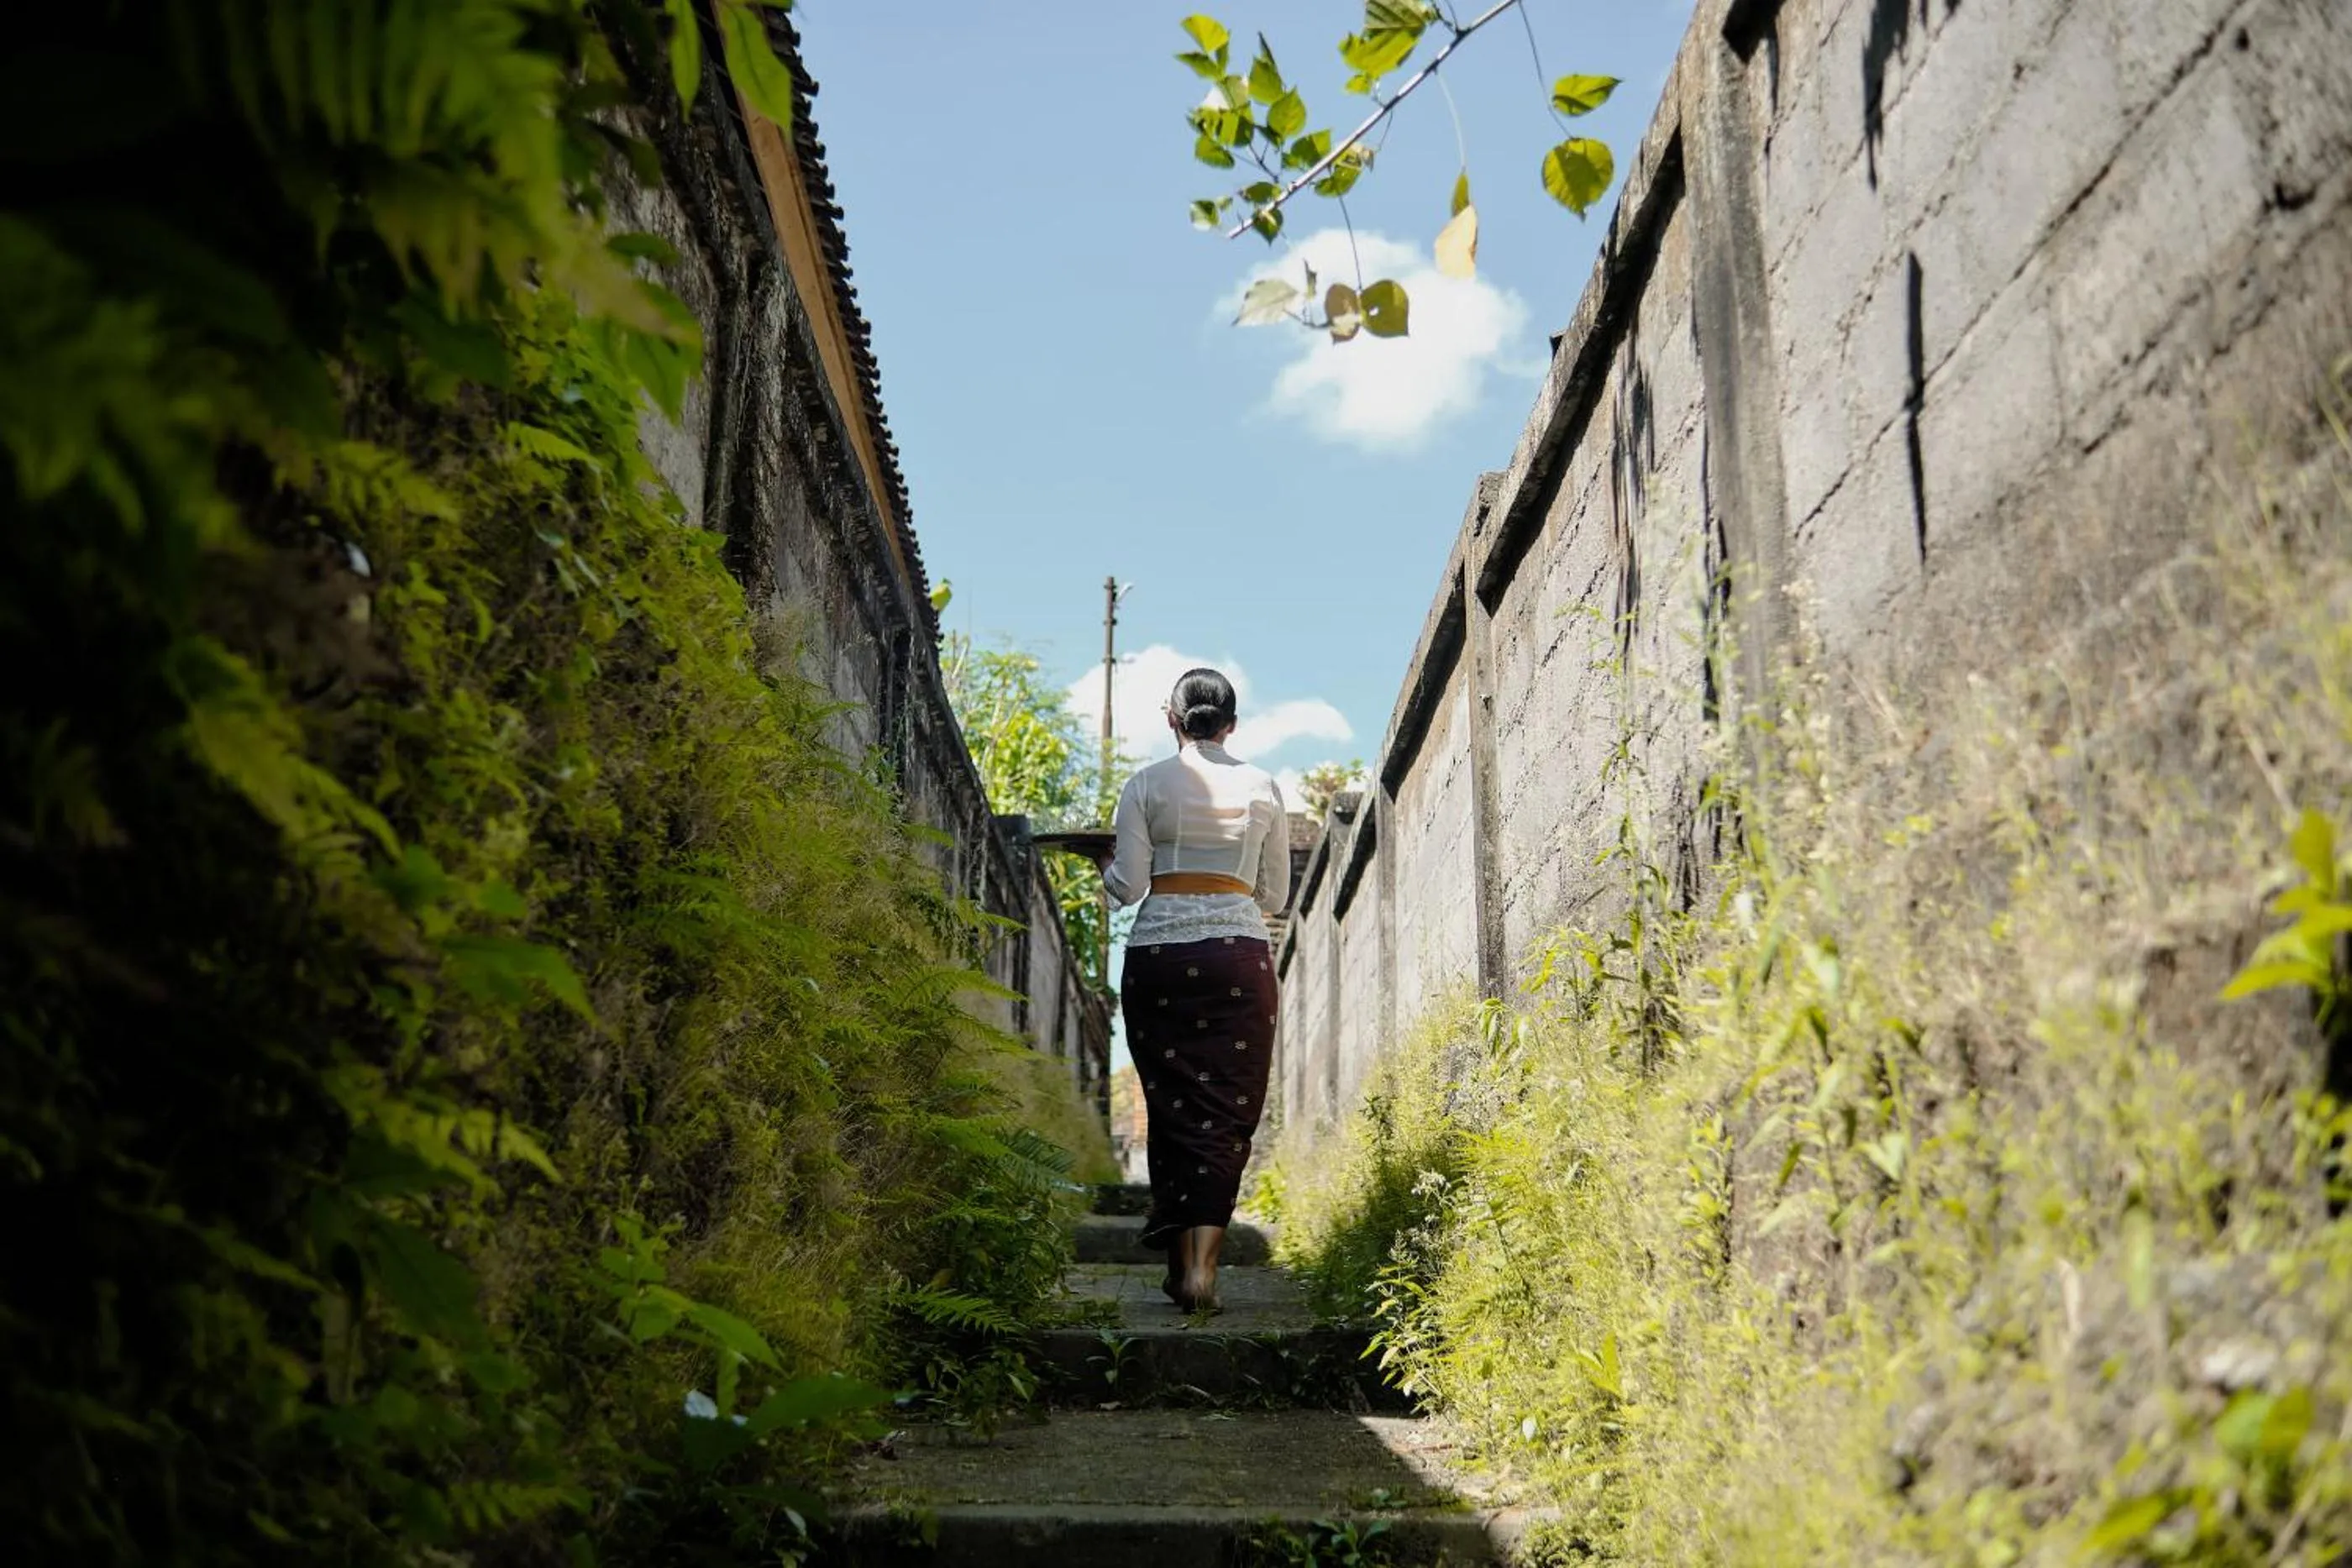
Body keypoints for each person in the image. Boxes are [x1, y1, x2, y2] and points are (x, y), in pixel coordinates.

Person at [1093, 668, 1290, 1312]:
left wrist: (1105, 868)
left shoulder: (1145, 784)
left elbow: (1128, 887)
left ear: (1171, 718)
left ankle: (1182, 1268)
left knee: (1173, 1107)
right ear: (1231, 722)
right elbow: (1277, 895)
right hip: (1239, 959)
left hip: (1158, 959)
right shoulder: (1262, 786)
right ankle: (1202, 1269)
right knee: (1227, 1112)